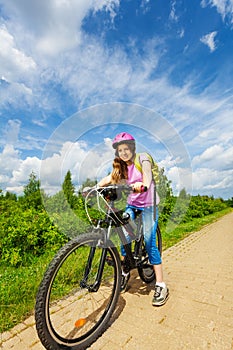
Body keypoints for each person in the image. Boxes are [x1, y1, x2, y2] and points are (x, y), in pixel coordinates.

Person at [98, 132, 169, 306]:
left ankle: (161, 284)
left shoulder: (142, 158)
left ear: (132, 148)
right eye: (120, 150)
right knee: (124, 235)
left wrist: (143, 185)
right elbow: (109, 178)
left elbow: (147, 176)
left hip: (149, 206)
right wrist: (94, 187)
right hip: (133, 206)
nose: (123, 152)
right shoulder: (121, 167)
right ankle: (125, 271)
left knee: (150, 241)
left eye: (126, 148)